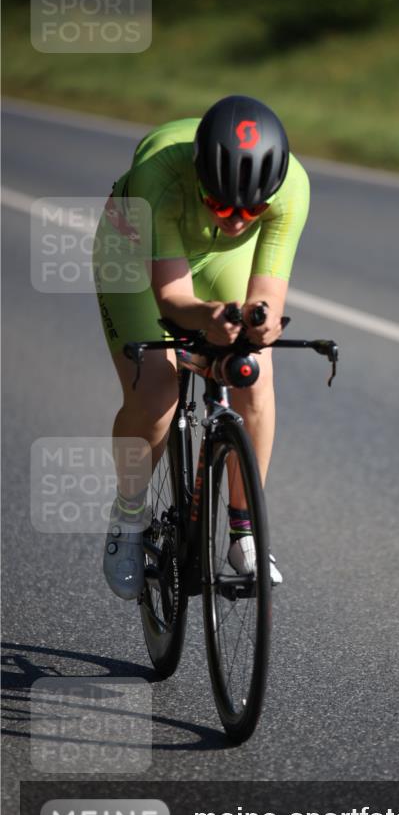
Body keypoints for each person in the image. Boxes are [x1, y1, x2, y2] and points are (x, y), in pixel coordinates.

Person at [93, 95, 310, 599]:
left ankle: (244, 531)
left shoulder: (292, 188)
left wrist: (259, 324)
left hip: (220, 258)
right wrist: (209, 318)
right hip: (133, 250)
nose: (237, 219)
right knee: (157, 390)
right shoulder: (158, 179)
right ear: (199, 178)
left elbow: (268, 300)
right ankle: (128, 517)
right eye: (222, 204)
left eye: (252, 209)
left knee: (254, 373)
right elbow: (172, 300)